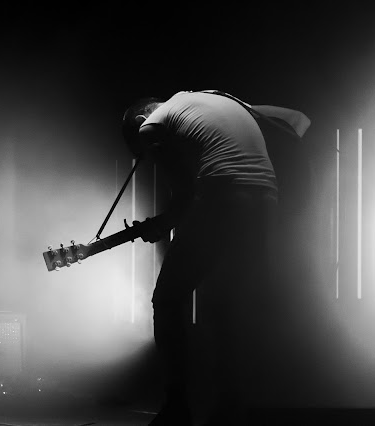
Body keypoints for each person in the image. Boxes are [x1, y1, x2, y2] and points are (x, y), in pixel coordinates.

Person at [121, 90, 309, 426]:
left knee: (167, 299)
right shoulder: (220, 99)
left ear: (140, 120)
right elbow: (295, 122)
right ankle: (230, 407)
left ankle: (177, 408)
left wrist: (160, 225)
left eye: (143, 154)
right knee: (226, 305)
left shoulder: (150, 125)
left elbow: (185, 196)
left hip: (223, 193)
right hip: (265, 199)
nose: (148, 157)